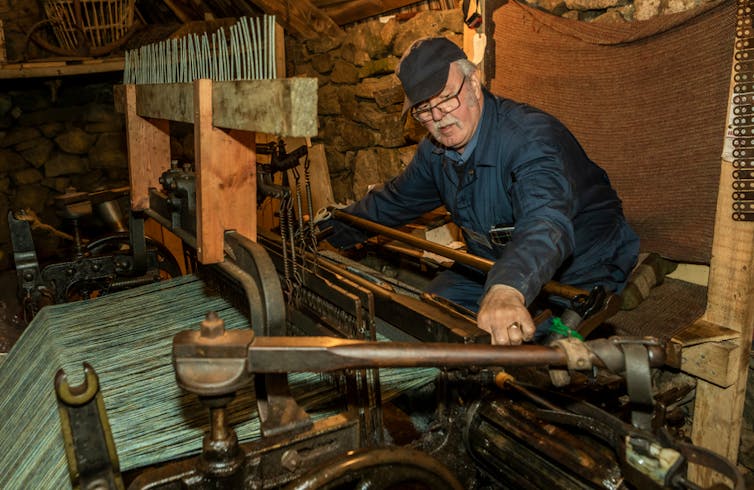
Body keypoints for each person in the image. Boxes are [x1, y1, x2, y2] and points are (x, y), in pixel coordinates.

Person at [322, 37, 639, 345]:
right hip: (491, 263)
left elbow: (547, 220)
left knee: (528, 355)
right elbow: (395, 200)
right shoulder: (435, 151)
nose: (438, 117)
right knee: (432, 317)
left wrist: (507, 288)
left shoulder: (530, 140)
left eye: (446, 98)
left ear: (473, 82)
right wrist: (327, 231)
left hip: (579, 269)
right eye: (423, 109)